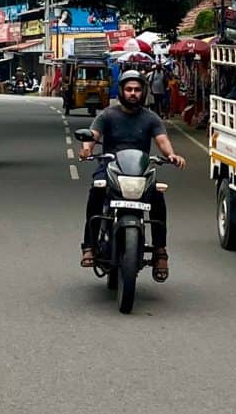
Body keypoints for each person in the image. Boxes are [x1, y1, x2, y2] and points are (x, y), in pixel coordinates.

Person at [79, 70, 186, 280]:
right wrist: (86, 149)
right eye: (129, 89)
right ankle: (89, 245)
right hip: (110, 166)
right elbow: (93, 135)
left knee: (158, 197)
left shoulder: (150, 118)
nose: (133, 93)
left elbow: (162, 141)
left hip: (140, 169)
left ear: (143, 92)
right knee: (96, 191)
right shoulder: (108, 115)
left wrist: (172, 155)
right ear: (121, 91)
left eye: (137, 90)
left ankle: (160, 251)